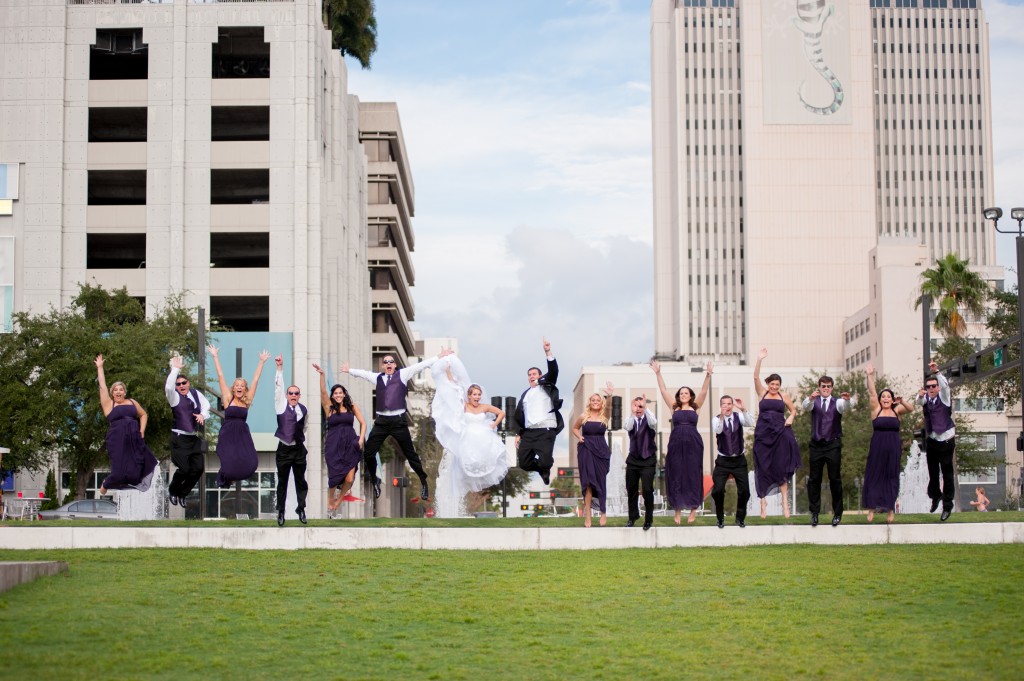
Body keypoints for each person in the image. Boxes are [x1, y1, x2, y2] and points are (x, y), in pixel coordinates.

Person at [344, 348, 454, 502]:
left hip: (398, 422)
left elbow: (420, 366)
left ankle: (423, 482)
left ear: (395, 365)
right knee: (369, 452)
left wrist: (438, 356)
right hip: (381, 422)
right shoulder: (377, 378)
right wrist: (349, 370)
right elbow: (363, 373)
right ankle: (375, 480)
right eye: (386, 362)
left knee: (411, 454)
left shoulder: (402, 374)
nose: (389, 364)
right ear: (382, 366)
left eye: (391, 362)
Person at [429, 355, 510, 517]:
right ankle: (452, 500)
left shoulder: (484, 407)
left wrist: (494, 424)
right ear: (469, 395)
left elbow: (502, 413)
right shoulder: (464, 406)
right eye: (474, 394)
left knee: (486, 457)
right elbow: (454, 387)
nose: (477, 397)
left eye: (479, 394)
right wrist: (448, 371)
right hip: (466, 440)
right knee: (459, 466)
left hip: (482, 438)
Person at [653, 359, 713, 525]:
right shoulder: (674, 407)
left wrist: (707, 375)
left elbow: (703, 391)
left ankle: (694, 509)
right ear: (679, 396)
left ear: (690, 396)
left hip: (693, 443)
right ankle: (677, 510)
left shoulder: (696, 407)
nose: (684, 395)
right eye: (681, 393)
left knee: (693, 474)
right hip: (676, 443)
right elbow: (663, 390)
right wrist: (658, 373)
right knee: (676, 474)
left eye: (686, 393)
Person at [95, 355, 158, 494]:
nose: (118, 391)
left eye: (121, 389)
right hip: (116, 439)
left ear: (124, 392)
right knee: (118, 472)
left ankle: (129, 483)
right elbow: (102, 386)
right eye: (115, 390)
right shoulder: (108, 405)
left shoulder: (132, 402)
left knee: (135, 473)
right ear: (112, 393)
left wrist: (142, 430)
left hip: (133, 439)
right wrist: (100, 367)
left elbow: (143, 415)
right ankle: (106, 483)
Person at [208, 345, 269, 488]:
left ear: (245, 389)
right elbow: (221, 376)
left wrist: (261, 362)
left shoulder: (247, 401)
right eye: (237, 385)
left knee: (252, 461)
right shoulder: (228, 398)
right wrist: (215, 356)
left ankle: (233, 476)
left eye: (242, 385)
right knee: (229, 459)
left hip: (242, 434)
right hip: (228, 433)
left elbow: (255, 380)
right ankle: (225, 476)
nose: (239, 387)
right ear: (233, 388)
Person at [752, 347, 801, 519]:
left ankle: (784, 504)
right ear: (768, 384)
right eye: (772, 384)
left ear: (780, 385)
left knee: (781, 467)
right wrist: (759, 359)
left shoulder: (783, 396)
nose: (774, 386)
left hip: (780, 432)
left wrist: (791, 418)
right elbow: (756, 377)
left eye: (777, 384)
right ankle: (763, 503)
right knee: (763, 466)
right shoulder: (762, 393)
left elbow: (794, 410)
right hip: (763, 435)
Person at [313, 363, 366, 516]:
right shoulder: (329, 408)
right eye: (335, 393)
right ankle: (331, 498)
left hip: (350, 443)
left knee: (349, 478)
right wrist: (322, 375)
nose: (337, 395)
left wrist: (361, 439)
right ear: (333, 395)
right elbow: (323, 392)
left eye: (340, 393)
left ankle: (340, 498)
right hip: (333, 445)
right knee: (335, 477)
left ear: (344, 394)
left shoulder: (351, 406)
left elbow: (363, 423)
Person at [863, 363, 913, 523]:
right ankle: (871, 509)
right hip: (878, 446)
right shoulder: (875, 409)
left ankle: (890, 509)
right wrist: (869, 376)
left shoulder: (897, 410)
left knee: (891, 477)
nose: (885, 398)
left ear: (892, 400)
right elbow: (871, 392)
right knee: (874, 476)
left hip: (893, 447)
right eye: (883, 396)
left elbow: (911, 409)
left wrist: (902, 401)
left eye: (888, 397)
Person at [511, 337, 563, 485]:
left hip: (545, 430)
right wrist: (519, 434)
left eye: (534, 374)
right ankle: (541, 470)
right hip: (529, 432)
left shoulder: (545, 385)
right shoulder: (525, 394)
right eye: (529, 374)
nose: (531, 376)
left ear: (540, 376)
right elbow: (520, 415)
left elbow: (554, 371)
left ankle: (545, 468)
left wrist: (547, 351)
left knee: (546, 461)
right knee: (524, 463)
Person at [801, 376, 850, 527]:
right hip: (816, 445)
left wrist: (848, 400)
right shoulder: (813, 401)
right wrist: (810, 398)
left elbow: (846, 407)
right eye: (823, 386)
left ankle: (837, 513)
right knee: (814, 479)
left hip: (833, 444)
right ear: (819, 386)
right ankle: (814, 513)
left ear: (832, 388)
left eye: (829, 386)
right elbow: (805, 406)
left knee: (834, 479)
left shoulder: (838, 402)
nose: (826, 388)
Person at [165, 355, 211, 508]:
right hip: (179, 438)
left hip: (193, 439)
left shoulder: (196, 394)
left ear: (188, 383)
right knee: (184, 469)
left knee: (198, 469)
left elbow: (206, 407)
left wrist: (202, 415)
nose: (181, 386)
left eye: (184, 383)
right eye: (178, 384)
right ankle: (172, 491)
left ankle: (183, 493)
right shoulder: (174, 397)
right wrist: (175, 369)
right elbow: (168, 387)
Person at [917, 360, 957, 521]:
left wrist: (937, 372)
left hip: (946, 440)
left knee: (947, 474)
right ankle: (935, 496)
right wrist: (919, 395)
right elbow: (919, 401)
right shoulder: (926, 400)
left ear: (938, 387)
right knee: (932, 473)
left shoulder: (944, 398)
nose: (932, 389)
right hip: (933, 440)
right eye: (929, 387)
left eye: (934, 386)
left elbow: (946, 387)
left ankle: (947, 506)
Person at [571, 382, 615, 528]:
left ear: (601, 403)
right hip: (586, 450)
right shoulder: (584, 416)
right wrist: (580, 437)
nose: (595, 402)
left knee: (601, 482)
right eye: (593, 400)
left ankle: (603, 512)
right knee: (588, 483)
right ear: (589, 403)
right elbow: (575, 428)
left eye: (598, 400)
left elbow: (609, 407)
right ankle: (588, 515)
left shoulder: (604, 417)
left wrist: (609, 396)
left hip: (601, 451)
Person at [273, 355, 309, 526]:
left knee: (301, 481)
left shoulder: (303, 409)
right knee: (283, 482)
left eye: (296, 393)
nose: (293, 395)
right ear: (287, 395)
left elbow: (305, 427)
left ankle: (301, 508)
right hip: (284, 449)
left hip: (299, 450)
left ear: (299, 396)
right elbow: (278, 388)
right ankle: (281, 512)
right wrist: (279, 369)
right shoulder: (280, 405)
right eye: (291, 393)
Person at [710, 395, 755, 528]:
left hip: (739, 461)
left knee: (745, 491)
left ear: (732, 405)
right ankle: (720, 518)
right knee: (717, 490)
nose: (727, 406)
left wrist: (744, 409)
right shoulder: (716, 419)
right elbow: (717, 429)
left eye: (729, 404)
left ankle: (740, 518)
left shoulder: (739, 416)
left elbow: (750, 423)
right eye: (724, 404)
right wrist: (723, 417)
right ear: (721, 406)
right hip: (723, 461)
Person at [623, 395, 658, 531]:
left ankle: (648, 519)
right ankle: (633, 517)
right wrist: (632, 413)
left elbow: (653, 423)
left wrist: (645, 407)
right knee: (631, 489)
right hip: (633, 459)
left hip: (648, 459)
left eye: (640, 406)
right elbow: (627, 427)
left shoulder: (649, 418)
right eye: (636, 405)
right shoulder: (630, 419)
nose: (638, 408)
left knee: (648, 490)